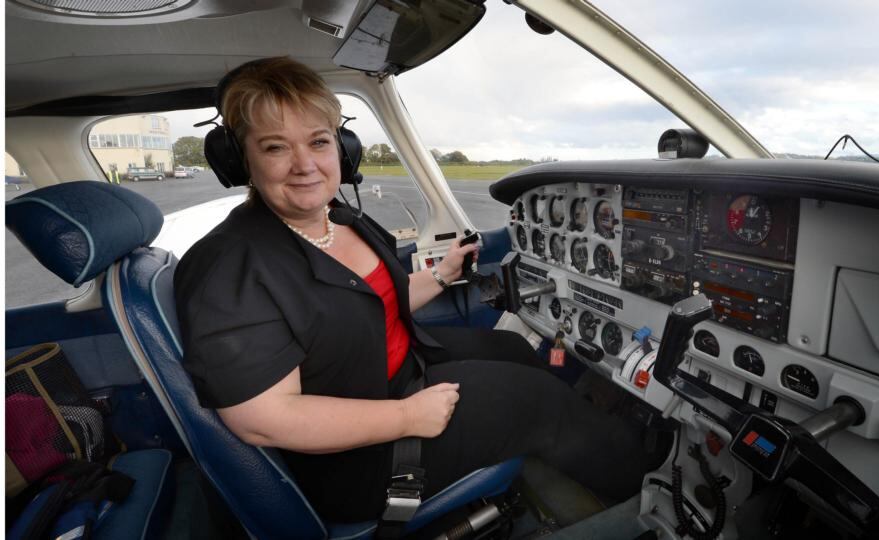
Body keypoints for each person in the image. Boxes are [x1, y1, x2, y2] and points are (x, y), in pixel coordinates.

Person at [174, 57, 671, 523]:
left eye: (319, 142)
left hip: (386, 372)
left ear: (341, 149)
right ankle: (653, 472)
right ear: (241, 160)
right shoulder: (230, 266)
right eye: (276, 146)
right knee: (536, 400)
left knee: (511, 345)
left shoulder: (339, 219)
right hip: (355, 457)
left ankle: (585, 431)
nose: (305, 164)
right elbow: (264, 419)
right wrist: (407, 416)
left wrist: (441, 274)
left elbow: (371, 302)